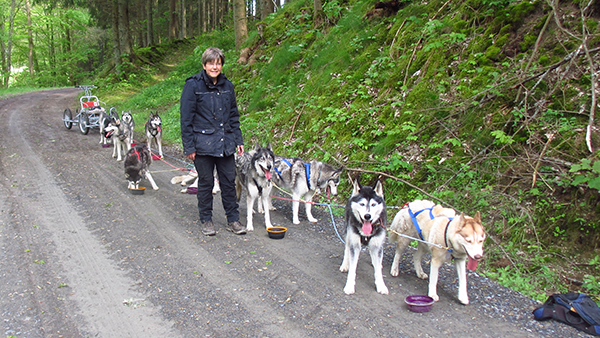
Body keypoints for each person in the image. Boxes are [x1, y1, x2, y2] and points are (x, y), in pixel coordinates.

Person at [180, 47, 246, 236]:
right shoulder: (193, 85)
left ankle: (233, 220)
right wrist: (189, 146)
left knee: (228, 183)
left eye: (218, 63)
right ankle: (206, 220)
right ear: (204, 65)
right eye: (211, 63)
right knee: (206, 183)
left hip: (225, 144)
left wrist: (238, 139)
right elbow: (186, 119)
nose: (215, 67)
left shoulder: (228, 86)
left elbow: (234, 115)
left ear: (221, 65)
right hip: (202, 144)